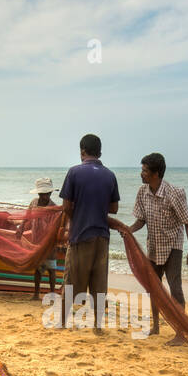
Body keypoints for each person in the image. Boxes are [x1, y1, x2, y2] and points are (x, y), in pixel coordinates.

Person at [129, 152, 188, 345]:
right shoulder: (143, 192)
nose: (141, 174)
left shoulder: (174, 193)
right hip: (154, 246)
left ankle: (180, 334)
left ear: (156, 174)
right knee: (154, 287)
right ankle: (156, 326)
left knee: (175, 289)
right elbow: (141, 220)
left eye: (144, 170)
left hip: (173, 246)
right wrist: (128, 230)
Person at [59, 134, 119, 331]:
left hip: (80, 235)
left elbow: (66, 206)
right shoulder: (110, 175)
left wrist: (76, 216)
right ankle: (97, 326)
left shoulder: (74, 172)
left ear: (82, 151)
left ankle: (61, 322)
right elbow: (114, 208)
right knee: (99, 284)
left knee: (70, 283)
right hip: (102, 237)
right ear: (99, 152)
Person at [18, 176, 64, 300]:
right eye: (43, 193)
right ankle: (36, 294)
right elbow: (27, 217)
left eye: (47, 193)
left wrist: (57, 241)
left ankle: (53, 294)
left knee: (51, 268)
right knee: (38, 269)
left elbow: (57, 226)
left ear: (50, 193)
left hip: (49, 242)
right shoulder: (33, 203)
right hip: (36, 240)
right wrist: (21, 229)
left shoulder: (54, 207)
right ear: (39, 193)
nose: (45, 196)